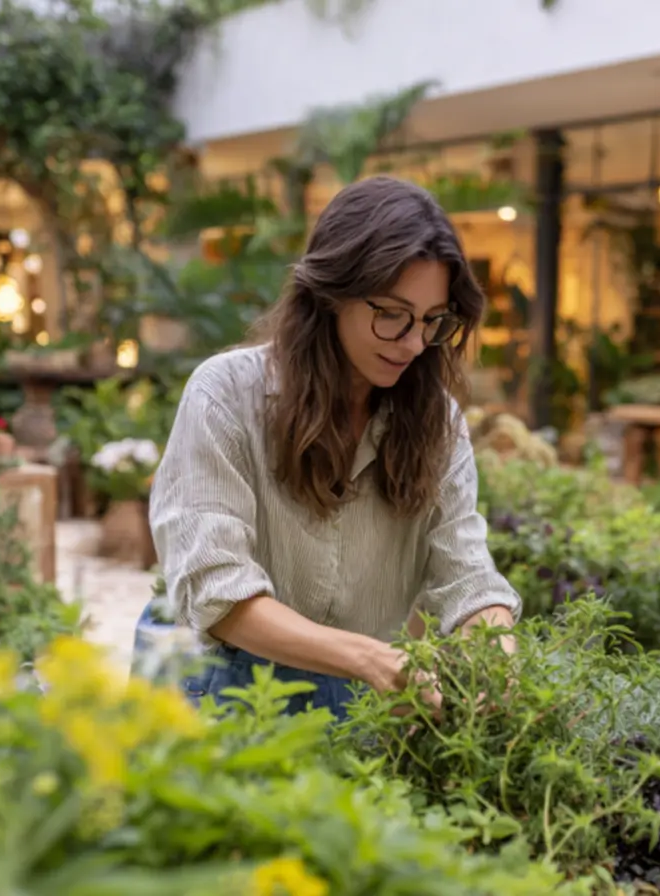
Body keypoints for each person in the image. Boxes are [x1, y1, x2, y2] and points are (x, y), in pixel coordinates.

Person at [142, 175, 521, 719]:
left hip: (361, 708)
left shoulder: (437, 423)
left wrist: (497, 661)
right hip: (226, 697)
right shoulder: (225, 395)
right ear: (332, 292)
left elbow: (466, 575)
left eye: (432, 321)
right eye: (391, 314)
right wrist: (372, 659)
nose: (414, 343)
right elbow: (218, 593)